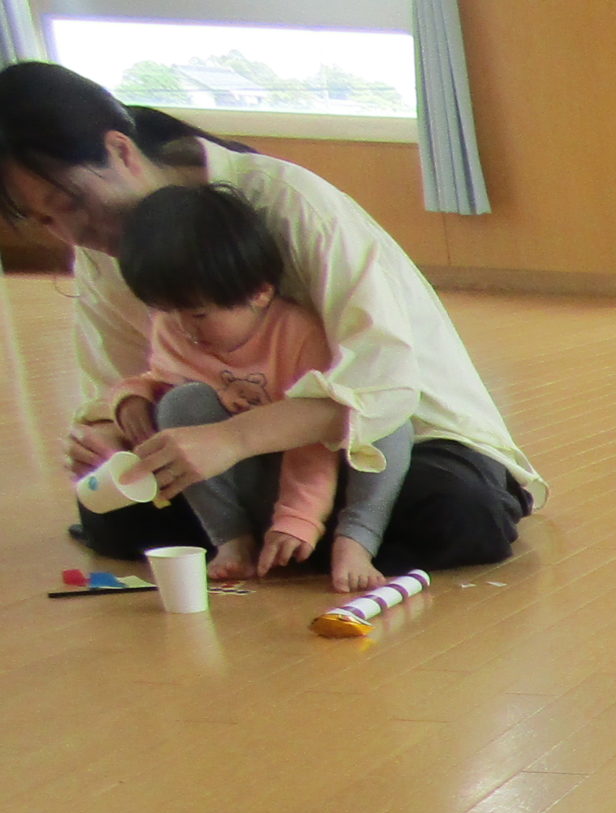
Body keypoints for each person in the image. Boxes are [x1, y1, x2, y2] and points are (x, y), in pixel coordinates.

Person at [0, 61, 541, 573]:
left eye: (69, 202)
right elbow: (123, 382)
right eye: (43, 220)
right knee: (111, 518)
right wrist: (111, 436)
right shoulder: (101, 253)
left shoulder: (288, 202)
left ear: (120, 150)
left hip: (387, 442)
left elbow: (383, 386)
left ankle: (314, 535)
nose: (70, 234)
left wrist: (234, 439)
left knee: (458, 509)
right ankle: (288, 539)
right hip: (243, 462)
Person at [105, 183, 411, 593]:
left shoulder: (299, 335)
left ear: (260, 292)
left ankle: (355, 542)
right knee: (180, 403)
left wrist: (298, 518)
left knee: (387, 424)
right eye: (166, 310)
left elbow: (314, 440)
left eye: (198, 314)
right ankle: (231, 540)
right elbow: (164, 381)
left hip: (321, 484)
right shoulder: (174, 329)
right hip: (247, 486)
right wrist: (130, 399)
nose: (182, 327)